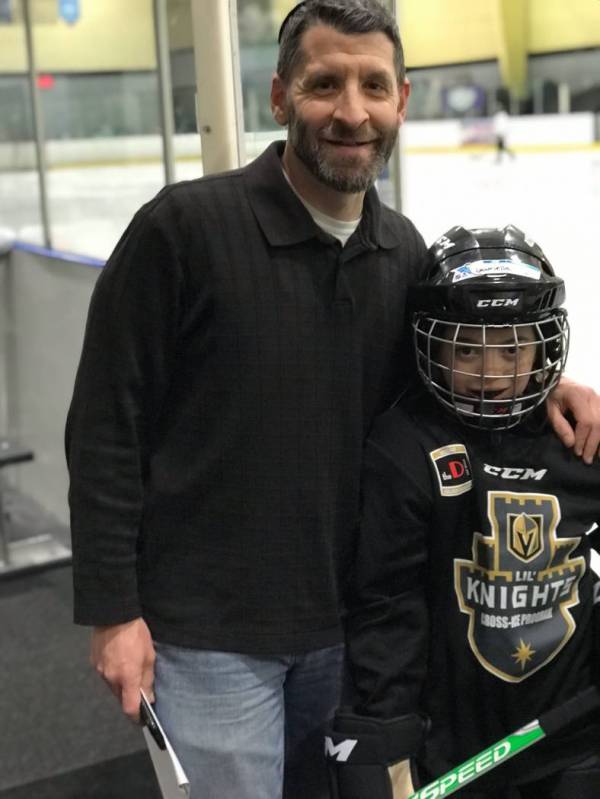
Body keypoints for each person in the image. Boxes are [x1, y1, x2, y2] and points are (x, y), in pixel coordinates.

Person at [65, 2, 600, 797]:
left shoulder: (404, 251)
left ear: (402, 102)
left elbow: (451, 376)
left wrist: (545, 384)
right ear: (280, 97)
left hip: (353, 633)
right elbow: (107, 426)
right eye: (325, 84)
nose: (352, 111)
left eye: (373, 86)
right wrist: (113, 612)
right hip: (212, 636)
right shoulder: (184, 231)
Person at [327, 225, 600, 799]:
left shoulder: (582, 439)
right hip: (457, 749)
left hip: (577, 737)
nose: (492, 374)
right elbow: (388, 604)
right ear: (431, 345)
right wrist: (386, 731)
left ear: (543, 344)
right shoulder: (405, 448)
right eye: (467, 348)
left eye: (511, 347)